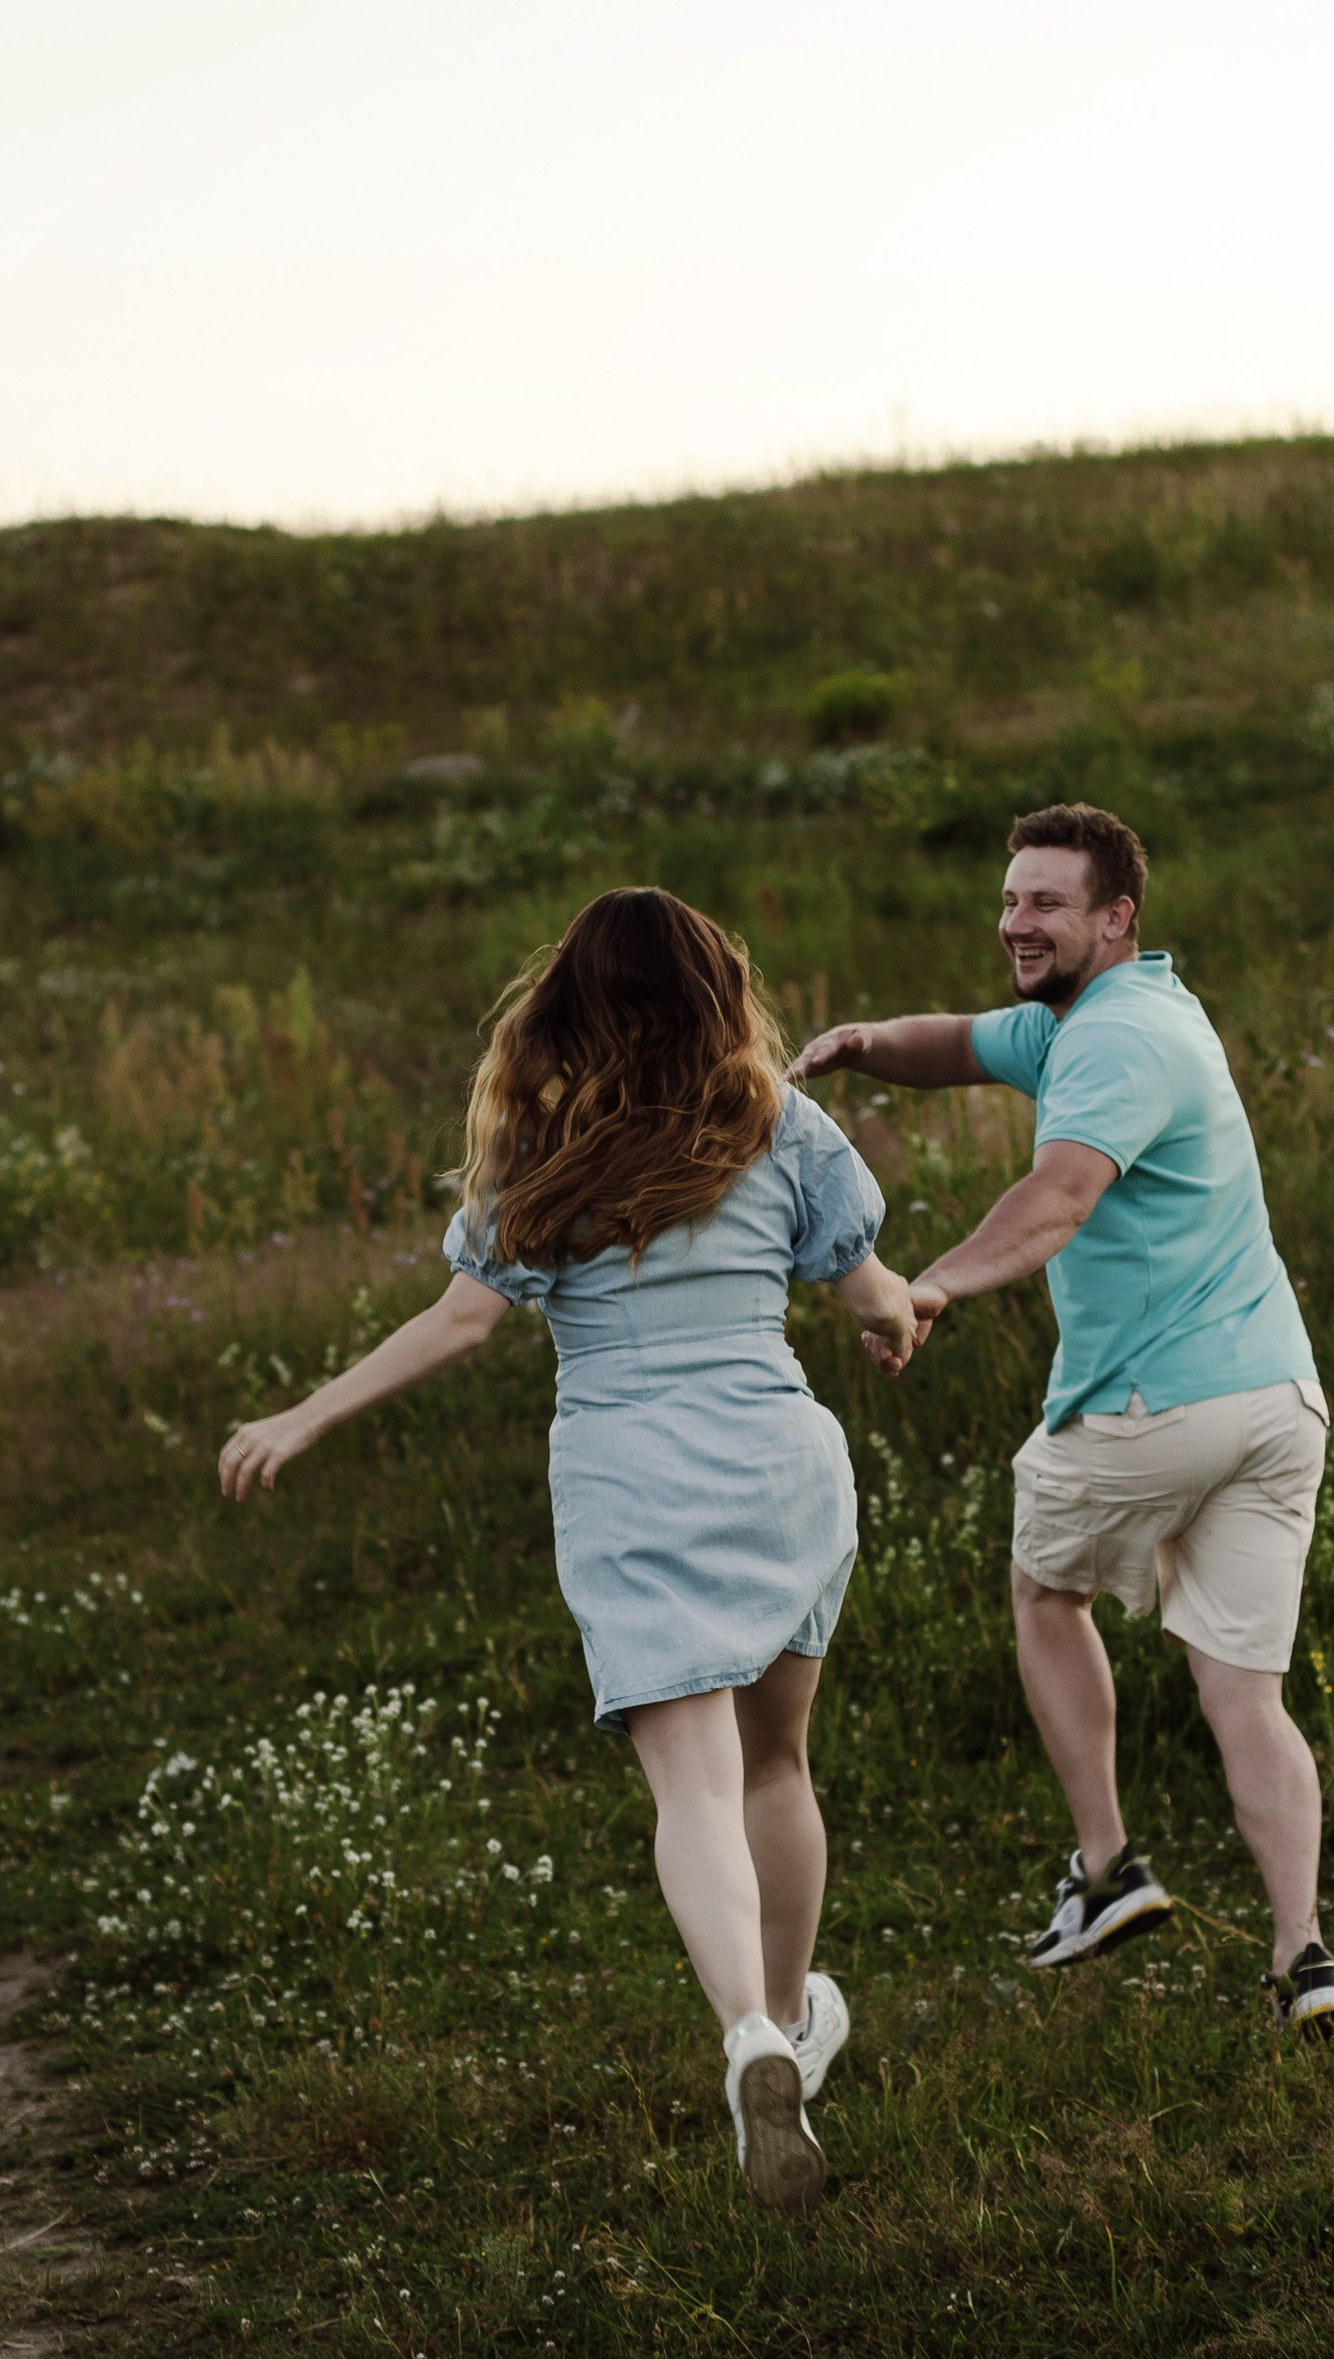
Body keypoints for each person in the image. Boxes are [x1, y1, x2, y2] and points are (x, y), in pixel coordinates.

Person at [218, 887, 923, 2205]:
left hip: (634, 1475)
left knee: (695, 1788)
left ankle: (752, 2037)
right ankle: (793, 2020)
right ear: (721, 992)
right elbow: (870, 1288)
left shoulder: (541, 1148)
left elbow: (457, 1326)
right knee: (779, 1761)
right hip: (780, 1464)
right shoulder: (783, 1121)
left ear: (572, 1004)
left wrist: (303, 1416)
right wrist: (892, 1321)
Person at [791, 801, 1334, 2034]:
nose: (1015, 922)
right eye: (1008, 900)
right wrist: (860, 1043)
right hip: (1276, 1402)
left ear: (1115, 916)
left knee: (1046, 1598)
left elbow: (1059, 1196)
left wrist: (929, 1284)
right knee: (1243, 1693)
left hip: (1158, 1402)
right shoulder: (1122, 1012)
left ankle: (1104, 1868)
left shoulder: (1108, 1047)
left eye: (1044, 902)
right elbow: (960, 1042)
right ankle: (1304, 1958)